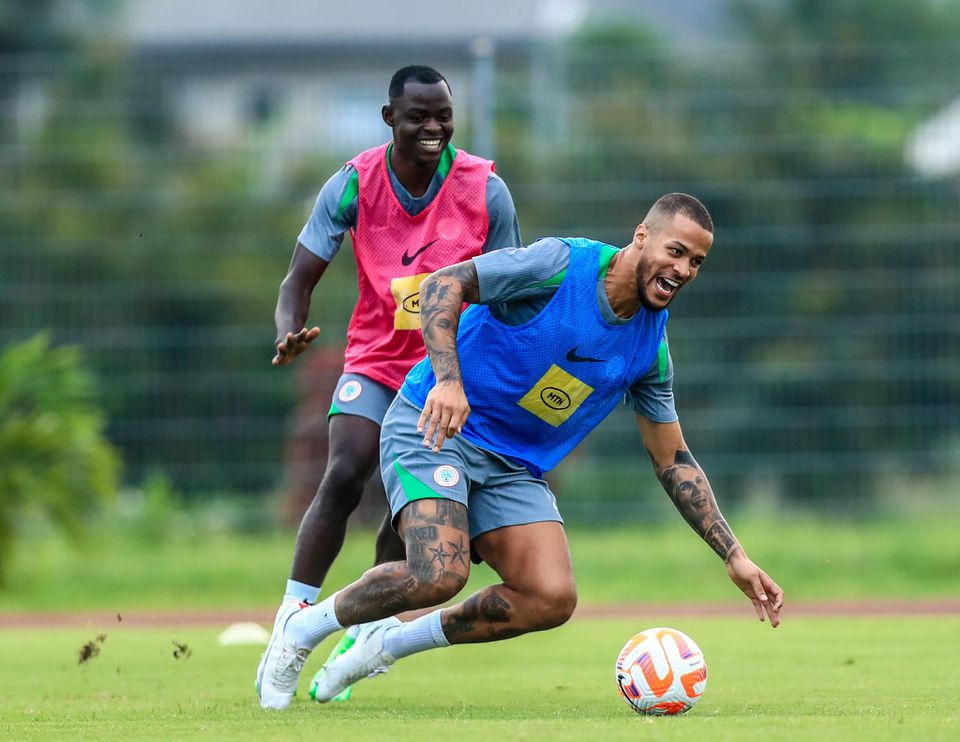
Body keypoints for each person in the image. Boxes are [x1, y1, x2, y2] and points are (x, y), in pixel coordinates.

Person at [256, 193, 784, 710]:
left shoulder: (650, 348)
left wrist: (734, 556)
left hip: (513, 467)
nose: (684, 269)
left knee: (551, 597)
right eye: (676, 251)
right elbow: (444, 283)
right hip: (436, 426)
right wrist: (447, 381)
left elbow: (673, 460)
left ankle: (385, 646)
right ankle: (300, 632)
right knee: (439, 572)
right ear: (641, 237)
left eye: (696, 261)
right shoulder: (560, 265)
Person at [257, 65, 521, 707]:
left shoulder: (485, 190)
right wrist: (288, 329)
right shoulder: (351, 184)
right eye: (417, 116)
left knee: (411, 508)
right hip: (375, 362)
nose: (432, 128)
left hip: (448, 375)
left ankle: (366, 631)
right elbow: (298, 281)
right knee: (346, 469)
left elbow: (512, 291)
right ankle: (291, 623)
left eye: (443, 116)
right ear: (388, 119)